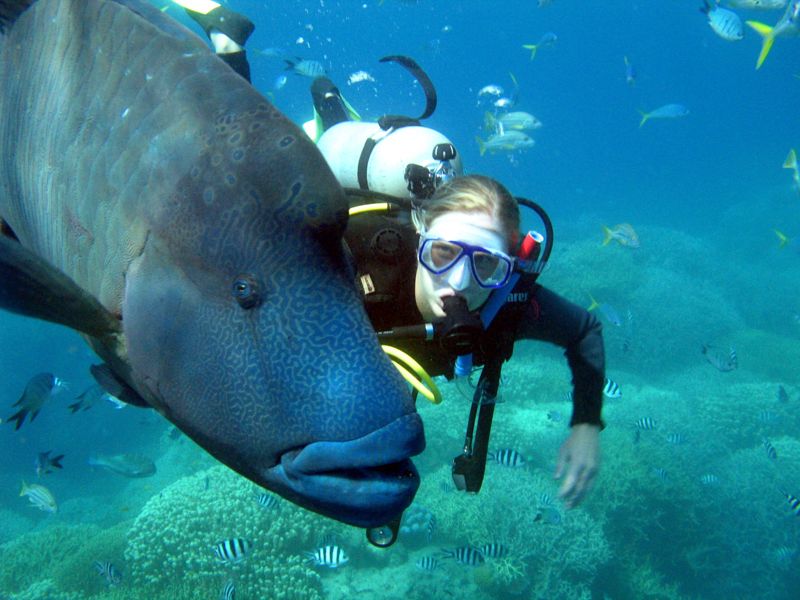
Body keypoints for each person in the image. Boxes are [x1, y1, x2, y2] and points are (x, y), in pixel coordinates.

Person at [176, 1, 605, 508]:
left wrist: (586, 426)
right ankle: (233, 45)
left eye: (486, 264)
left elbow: (584, 332)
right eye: (443, 253)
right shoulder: (357, 256)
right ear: (419, 235)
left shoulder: (511, 304)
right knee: (243, 190)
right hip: (330, 199)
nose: (461, 282)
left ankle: (332, 106)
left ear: (510, 267)